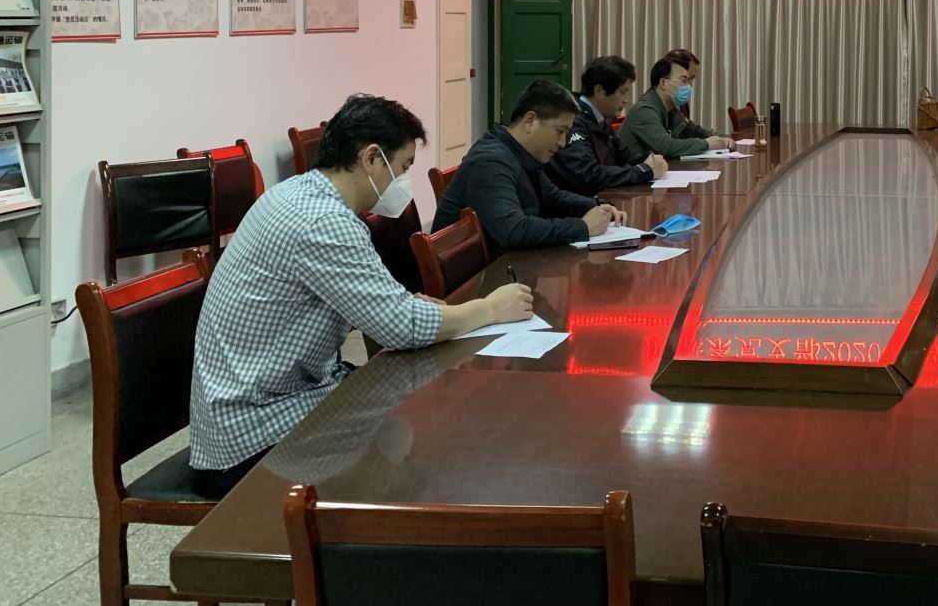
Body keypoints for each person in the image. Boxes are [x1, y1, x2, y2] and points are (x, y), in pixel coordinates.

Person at [189, 94, 535, 496]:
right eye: (403, 167)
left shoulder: (299, 193)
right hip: (252, 433)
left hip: (267, 402)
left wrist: (403, 308)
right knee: (421, 449)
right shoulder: (324, 221)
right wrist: (489, 308)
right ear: (372, 158)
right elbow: (402, 328)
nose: (403, 181)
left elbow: (377, 303)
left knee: (405, 425)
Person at [433, 80, 624, 251]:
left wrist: (597, 207)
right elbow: (513, 231)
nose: (562, 143)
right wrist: (583, 227)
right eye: (560, 131)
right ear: (530, 121)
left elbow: (553, 197)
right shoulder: (491, 160)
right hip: (480, 276)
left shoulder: (520, 152)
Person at [547, 55, 668, 196]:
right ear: (599, 91)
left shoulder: (600, 119)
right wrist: (644, 170)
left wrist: (649, 159)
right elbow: (588, 175)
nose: (626, 100)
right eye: (623, 92)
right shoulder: (573, 120)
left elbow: (625, 159)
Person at [619, 50, 735, 159]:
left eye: (689, 80)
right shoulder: (644, 110)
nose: (689, 86)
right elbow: (666, 146)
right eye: (684, 80)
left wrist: (722, 139)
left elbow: (695, 131)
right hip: (635, 172)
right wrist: (706, 144)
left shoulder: (671, 109)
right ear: (663, 83)